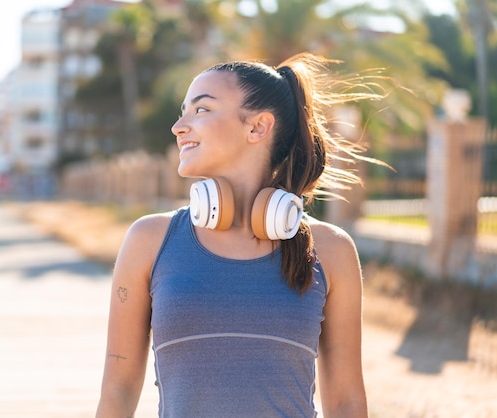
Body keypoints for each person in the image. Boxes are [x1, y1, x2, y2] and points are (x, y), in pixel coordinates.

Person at [97, 52, 380, 417]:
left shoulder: (331, 250)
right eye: (183, 111)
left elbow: (346, 401)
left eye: (201, 110)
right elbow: (117, 392)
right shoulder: (149, 240)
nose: (179, 126)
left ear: (257, 127)